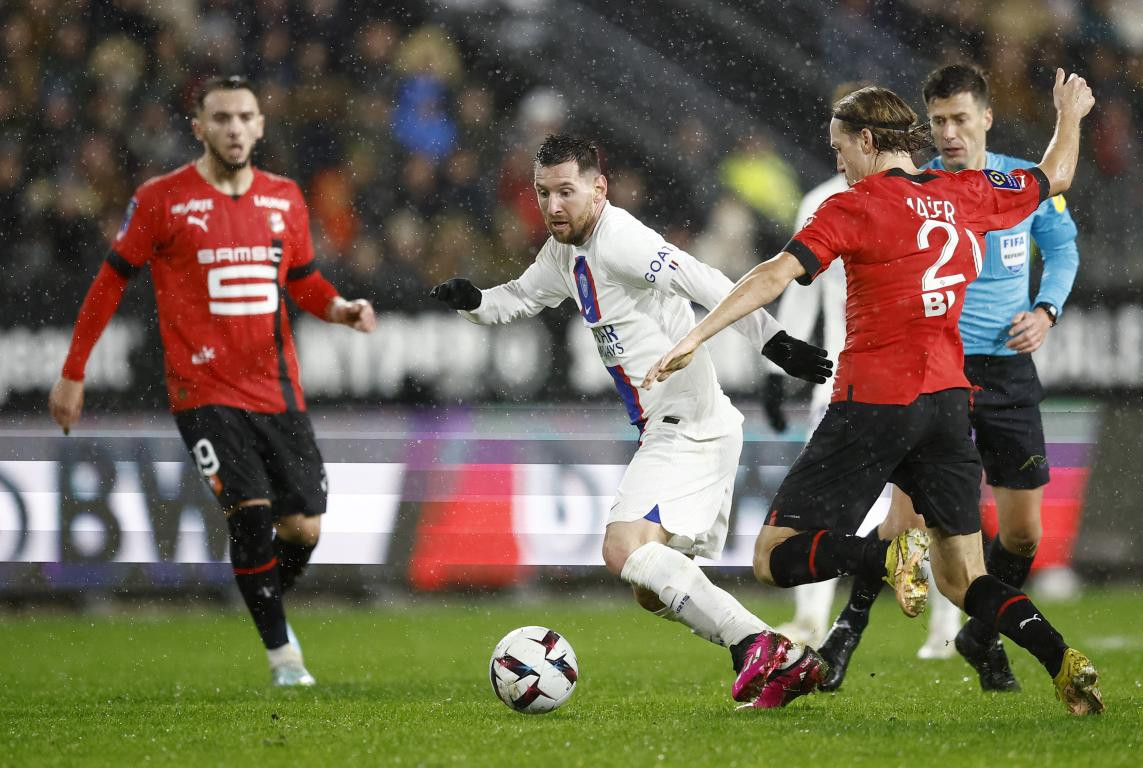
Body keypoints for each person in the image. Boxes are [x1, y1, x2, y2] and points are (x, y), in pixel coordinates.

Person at [645, 70, 1103, 715]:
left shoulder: (853, 206)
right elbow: (1053, 175)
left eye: (839, 150)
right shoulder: (966, 189)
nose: (838, 163)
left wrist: (700, 335)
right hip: (948, 401)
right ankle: (1063, 659)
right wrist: (1070, 116)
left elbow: (776, 273)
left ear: (866, 140)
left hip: (873, 400)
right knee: (964, 577)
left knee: (773, 557)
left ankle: (887, 555)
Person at [430, 134, 836, 709]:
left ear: (599, 189)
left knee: (623, 550)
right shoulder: (562, 252)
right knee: (651, 587)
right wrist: (475, 301)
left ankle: (758, 645)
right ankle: (781, 658)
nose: (553, 207)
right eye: (543, 193)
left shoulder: (620, 239)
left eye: (566, 192)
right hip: (688, 425)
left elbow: (702, 278)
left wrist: (772, 341)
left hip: (686, 424)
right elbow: (520, 298)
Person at [48, 76, 376, 687]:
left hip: (277, 389)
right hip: (203, 392)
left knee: (303, 525)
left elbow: (303, 281)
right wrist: (73, 373)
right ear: (198, 128)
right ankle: (285, 657)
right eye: (220, 118)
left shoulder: (285, 198)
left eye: (244, 117)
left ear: (260, 127)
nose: (233, 128)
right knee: (250, 516)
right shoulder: (161, 200)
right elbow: (110, 282)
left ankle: (261, 594)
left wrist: (340, 309)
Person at [817, 63, 1082, 693]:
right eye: (937, 121)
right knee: (902, 519)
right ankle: (844, 636)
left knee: (1023, 533)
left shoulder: (1018, 181)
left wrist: (1046, 309)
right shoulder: (920, 187)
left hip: (1009, 371)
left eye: (961, 119)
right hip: (938, 368)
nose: (950, 133)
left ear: (986, 117)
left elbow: (1065, 248)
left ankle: (981, 636)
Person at [765, 153, 963, 661]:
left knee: (924, 510)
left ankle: (946, 622)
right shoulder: (824, 202)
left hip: (899, 387)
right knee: (819, 512)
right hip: (840, 381)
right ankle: (811, 618)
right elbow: (801, 289)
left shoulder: (922, 200)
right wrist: (776, 372)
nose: (839, 152)